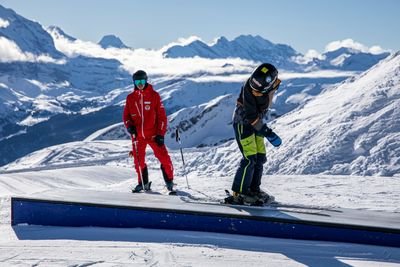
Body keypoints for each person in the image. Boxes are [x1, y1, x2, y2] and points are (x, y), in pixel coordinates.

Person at [231, 63, 282, 204]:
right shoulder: (249, 88)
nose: (256, 90)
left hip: (257, 124)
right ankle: (239, 192)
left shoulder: (272, 85)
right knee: (250, 159)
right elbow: (251, 116)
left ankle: (254, 189)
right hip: (244, 124)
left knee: (260, 158)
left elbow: (265, 103)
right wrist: (267, 132)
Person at [123, 70, 174, 192]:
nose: (140, 84)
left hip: (153, 135)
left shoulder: (154, 96)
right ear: (134, 82)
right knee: (138, 161)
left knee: (164, 159)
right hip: (138, 136)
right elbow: (126, 116)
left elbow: (162, 117)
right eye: (137, 81)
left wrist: (160, 134)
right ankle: (143, 183)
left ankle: (169, 182)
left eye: (142, 81)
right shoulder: (130, 98)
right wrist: (129, 126)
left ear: (146, 80)